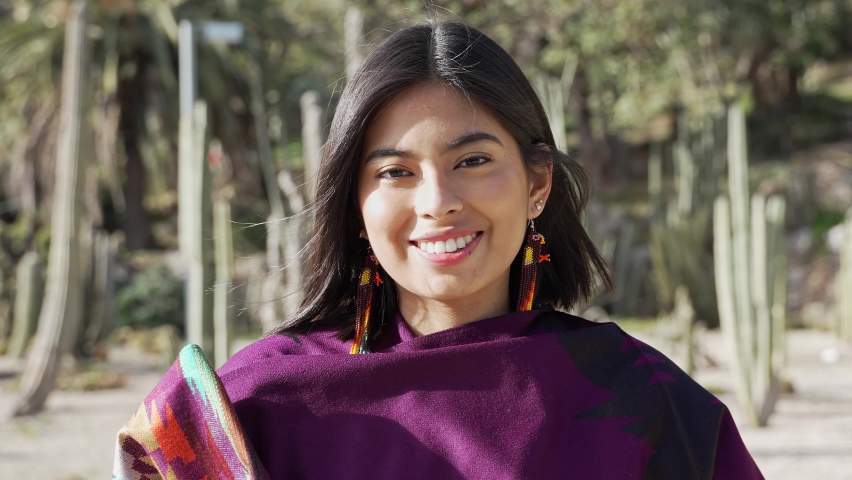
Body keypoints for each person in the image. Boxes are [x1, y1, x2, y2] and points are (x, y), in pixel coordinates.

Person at [113, 22, 763, 479]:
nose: (437, 201)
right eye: (395, 173)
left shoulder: (651, 407)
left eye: (473, 160)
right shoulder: (251, 409)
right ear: (356, 207)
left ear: (537, 185)